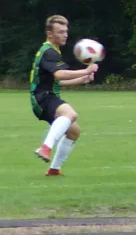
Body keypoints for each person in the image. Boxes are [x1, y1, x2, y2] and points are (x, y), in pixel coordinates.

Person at [29, 15, 98, 176]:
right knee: (70, 114)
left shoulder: (52, 52)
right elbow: (59, 74)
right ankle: (45, 147)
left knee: (73, 131)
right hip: (43, 98)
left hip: (46, 95)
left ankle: (54, 169)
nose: (65, 35)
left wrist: (82, 79)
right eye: (60, 32)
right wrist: (86, 70)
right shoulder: (49, 52)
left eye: (66, 31)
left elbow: (57, 82)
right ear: (49, 34)